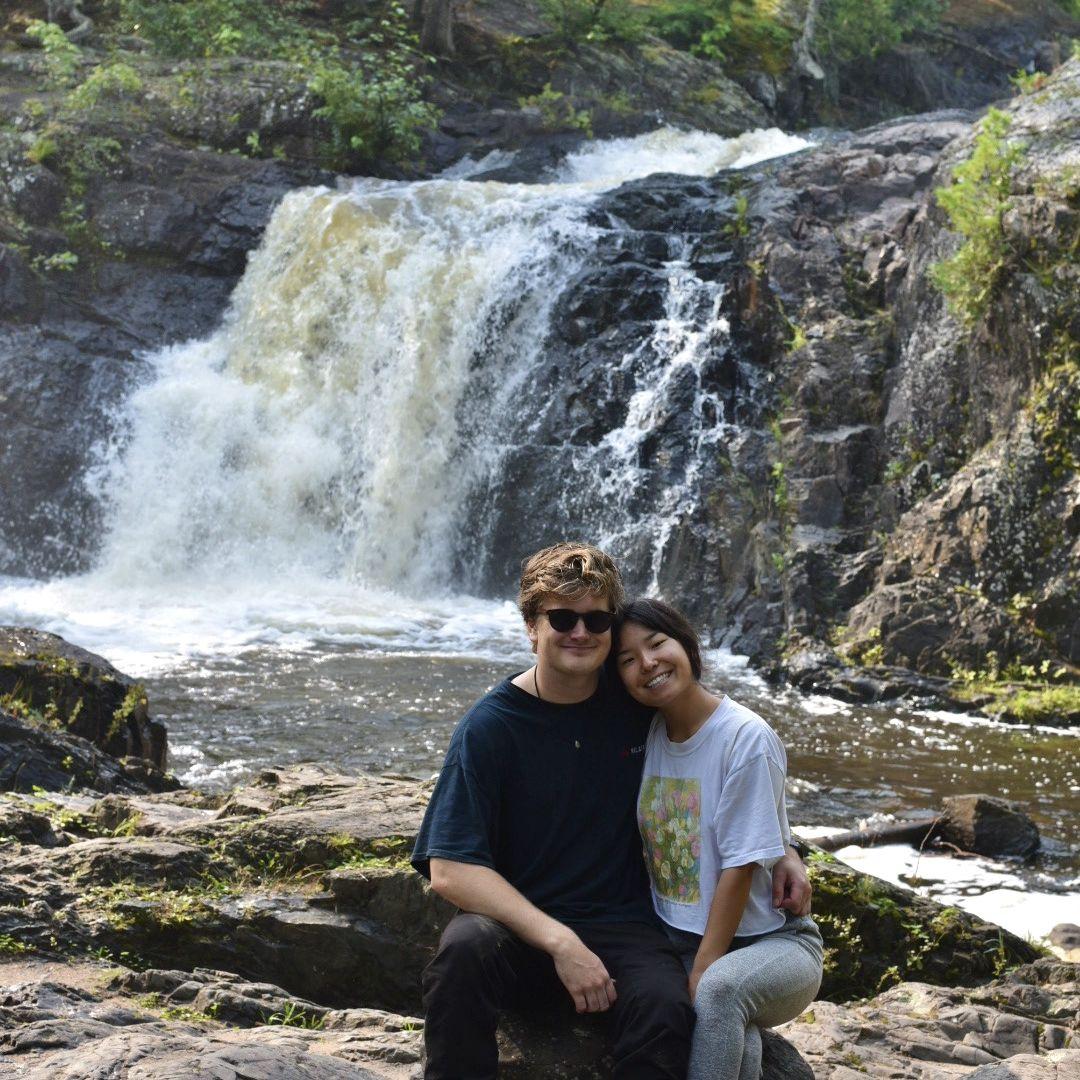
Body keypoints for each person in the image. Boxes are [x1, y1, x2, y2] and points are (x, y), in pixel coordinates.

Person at [411, 542, 812, 1079]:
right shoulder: (489, 728)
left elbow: (729, 754)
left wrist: (785, 847)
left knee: (668, 1009)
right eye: (562, 618)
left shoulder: (636, 701)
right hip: (520, 931)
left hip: (625, 929)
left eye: (597, 620)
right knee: (464, 951)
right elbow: (450, 869)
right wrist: (561, 943)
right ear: (531, 626)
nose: (580, 632)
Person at [614, 598, 824, 1080]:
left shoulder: (744, 738)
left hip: (774, 944)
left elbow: (740, 866)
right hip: (680, 939)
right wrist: (788, 846)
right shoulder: (647, 733)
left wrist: (703, 968)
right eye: (627, 660)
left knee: (718, 991)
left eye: (657, 643)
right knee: (738, 1041)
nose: (647, 663)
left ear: (686, 644)